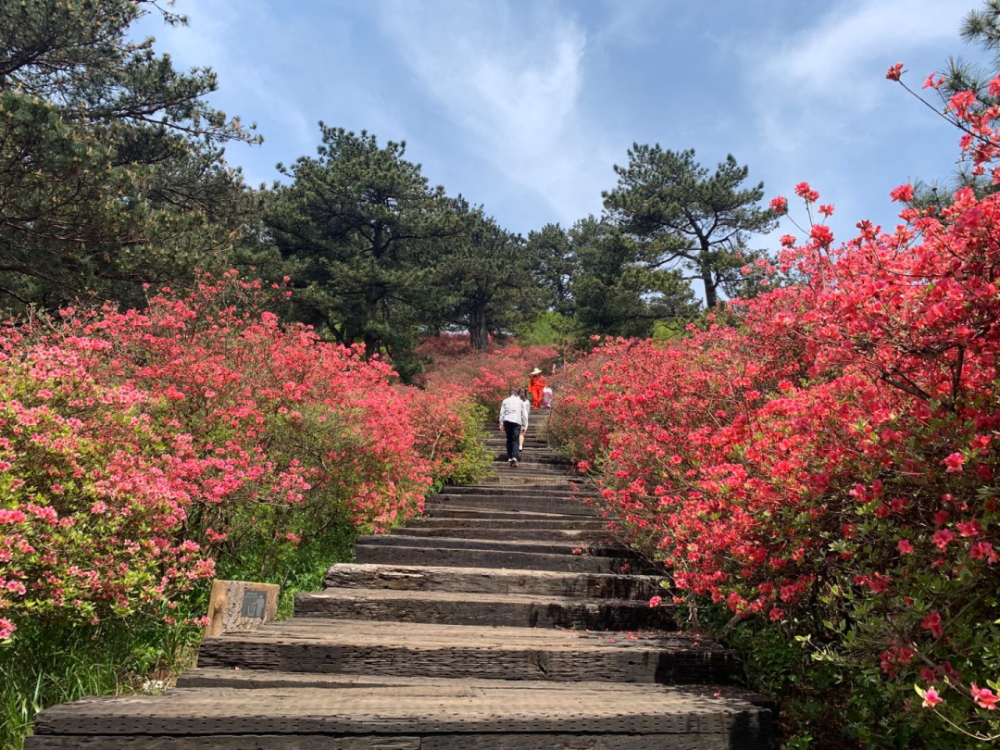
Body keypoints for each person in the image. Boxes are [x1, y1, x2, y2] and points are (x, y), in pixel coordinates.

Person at [498, 387, 526, 466]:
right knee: (515, 439)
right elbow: (523, 414)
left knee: (509, 438)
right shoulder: (520, 401)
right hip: (517, 421)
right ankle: (514, 457)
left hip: (507, 421)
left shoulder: (505, 401)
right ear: (516, 394)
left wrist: (501, 423)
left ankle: (510, 456)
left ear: (509, 394)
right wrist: (524, 425)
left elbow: (502, 413)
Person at [517, 387, 531, 452]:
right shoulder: (527, 401)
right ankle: (520, 446)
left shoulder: (516, 400)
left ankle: (516, 445)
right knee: (521, 433)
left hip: (516, 418)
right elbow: (528, 411)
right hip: (525, 418)